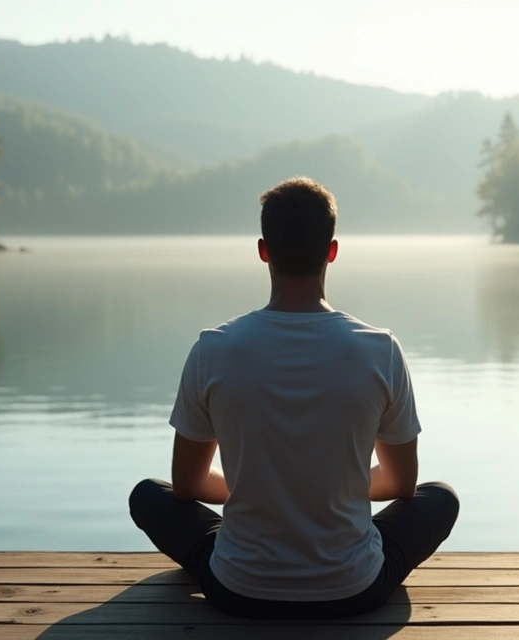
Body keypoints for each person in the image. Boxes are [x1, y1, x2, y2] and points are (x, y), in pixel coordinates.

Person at [128, 176, 459, 619]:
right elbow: (401, 484)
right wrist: (324, 490)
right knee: (440, 498)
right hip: (353, 589)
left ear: (263, 250)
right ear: (332, 250)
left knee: (149, 495)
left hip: (237, 589)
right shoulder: (380, 349)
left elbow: (186, 487)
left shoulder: (214, 348)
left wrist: (263, 489)